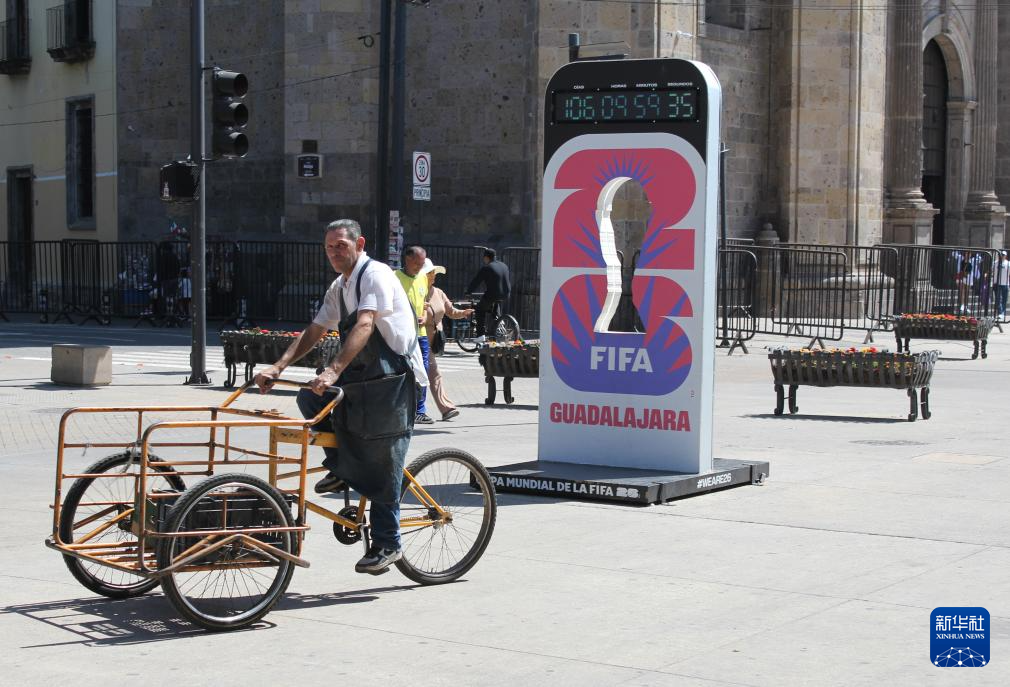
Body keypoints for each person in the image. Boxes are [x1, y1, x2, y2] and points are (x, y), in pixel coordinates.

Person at [254, 219, 427, 575]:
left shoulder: (375, 274)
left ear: (359, 244)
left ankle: (388, 542)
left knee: (382, 459)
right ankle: (341, 467)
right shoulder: (340, 286)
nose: (334, 253)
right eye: (329, 247)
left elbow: (365, 324)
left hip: (394, 379)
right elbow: (316, 328)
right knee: (311, 400)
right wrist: (278, 367)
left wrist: (333, 370)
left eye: (341, 246)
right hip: (364, 377)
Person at [422, 258, 474, 421]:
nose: (433, 275)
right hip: (421, 340)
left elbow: (450, 311)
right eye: (430, 273)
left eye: (433, 273)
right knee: (433, 373)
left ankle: (442, 408)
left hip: (435, 340)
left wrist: (463, 313)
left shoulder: (438, 292)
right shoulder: (416, 292)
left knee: (430, 374)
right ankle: (445, 408)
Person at [395, 245, 434, 425]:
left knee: (422, 371)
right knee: (402, 371)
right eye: (417, 263)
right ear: (407, 259)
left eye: (422, 263)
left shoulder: (423, 278)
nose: (420, 267)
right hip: (402, 334)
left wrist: (424, 316)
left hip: (420, 333)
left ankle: (420, 410)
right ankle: (401, 409)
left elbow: (425, 302)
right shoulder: (394, 278)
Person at [466, 248, 511, 342]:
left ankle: (480, 335)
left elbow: (476, 281)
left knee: (479, 310)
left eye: (484, 258)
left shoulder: (487, 268)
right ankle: (499, 322)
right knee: (494, 305)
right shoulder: (504, 265)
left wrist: (468, 291)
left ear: (486, 258)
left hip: (493, 294)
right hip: (506, 294)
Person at [995, 250, 1010, 318]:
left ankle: (1002, 313)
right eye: (1001, 255)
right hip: (997, 283)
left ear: (1005, 256)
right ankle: (1000, 312)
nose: (1002, 256)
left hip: (1005, 283)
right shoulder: (995, 263)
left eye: (1003, 255)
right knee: (998, 299)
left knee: (1004, 299)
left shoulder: (1008, 263)